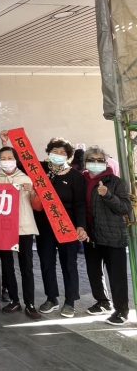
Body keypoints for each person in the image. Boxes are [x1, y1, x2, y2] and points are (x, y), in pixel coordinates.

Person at [36, 138, 87, 318]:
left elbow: (80, 204)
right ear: (48, 153)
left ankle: (70, 301)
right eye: (55, 151)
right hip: (44, 226)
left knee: (69, 263)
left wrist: (81, 226)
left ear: (69, 156)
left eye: (63, 153)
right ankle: (51, 298)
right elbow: (21, 161)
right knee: (46, 262)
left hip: (67, 226)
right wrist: (6, 142)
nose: (58, 155)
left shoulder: (76, 176)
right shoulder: (41, 170)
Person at [82, 146, 132, 325]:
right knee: (94, 272)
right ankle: (102, 302)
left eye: (100, 160)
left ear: (105, 162)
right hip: (90, 235)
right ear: (85, 162)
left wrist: (108, 195)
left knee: (117, 275)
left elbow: (125, 208)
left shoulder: (115, 181)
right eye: (91, 160)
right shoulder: (82, 180)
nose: (96, 163)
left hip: (113, 235)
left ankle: (122, 310)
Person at [0, 147, 39, 318]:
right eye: (3, 158)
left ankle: (30, 303)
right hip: (3, 228)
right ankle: (14, 300)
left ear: (16, 160)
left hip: (24, 227)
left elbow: (37, 205)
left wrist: (32, 191)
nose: (6, 161)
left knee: (26, 266)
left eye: (10, 157)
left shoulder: (26, 178)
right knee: (7, 265)